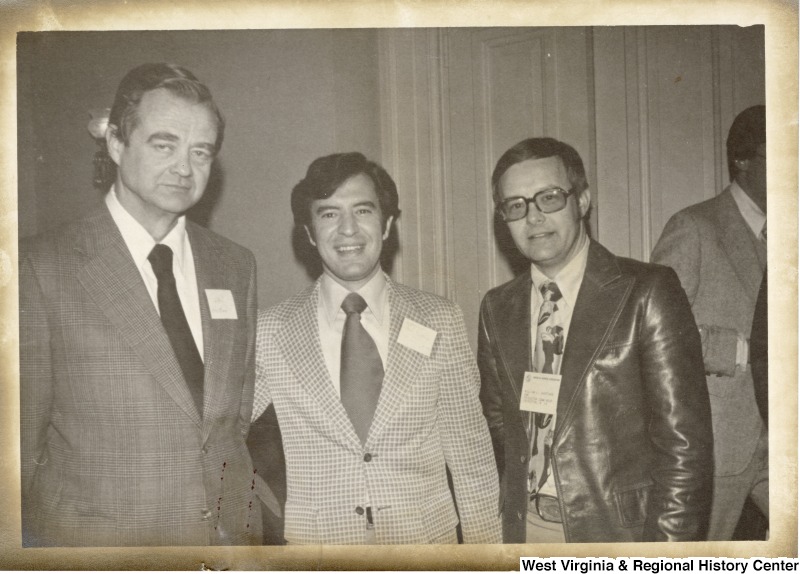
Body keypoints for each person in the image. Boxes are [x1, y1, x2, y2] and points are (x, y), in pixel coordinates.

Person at [20, 63, 261, 546]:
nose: (184, 168)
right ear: (115, 143)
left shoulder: (234, 265)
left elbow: (232, 423)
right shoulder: (40, 266)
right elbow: (16, 448)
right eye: (164, 144)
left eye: (201, 152)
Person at [250, 152, 501, 545]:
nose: (347, 229)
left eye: (362, 211)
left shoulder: (440, 319)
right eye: (329, 214)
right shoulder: (270, 330)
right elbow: (219, 428)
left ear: (387, 225)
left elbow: (471, 459)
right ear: (309, 232)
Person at [478, 137, 713, 543]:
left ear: (582, 201)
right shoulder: (498, 307)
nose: (533, 217)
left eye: (549, 198)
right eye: (516, 205)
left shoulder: (646, 291)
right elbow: (499, 419)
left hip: (619, 533)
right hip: (524, 530)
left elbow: (685, 449)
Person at [651, 105, 768, 540]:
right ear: (741, 160)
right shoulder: (694, 227)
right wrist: (742, 352)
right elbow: (657, 333)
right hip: (720, 442)